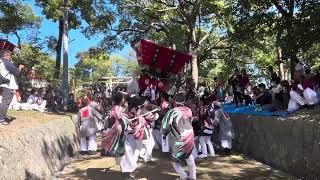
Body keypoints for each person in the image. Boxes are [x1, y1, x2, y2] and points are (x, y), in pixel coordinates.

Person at [161, 92, 196, 180]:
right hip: (189, 136)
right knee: (189, 156)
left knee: (174, 160)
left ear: (174, 100)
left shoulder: (172, 112)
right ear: (184, 100)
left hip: (178, 138)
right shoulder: (189, 110)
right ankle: (193, 177)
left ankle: (183, 176)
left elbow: (165, 126)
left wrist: (164, 134)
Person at [0, 49, 24, 125]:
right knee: (6, 102)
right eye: (10, 56)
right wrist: (20, 67)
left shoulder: (1, 62)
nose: (11, 58)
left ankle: (1, 117)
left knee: (4, 101)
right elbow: (17, 72)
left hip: (3, 84)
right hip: (7, 85)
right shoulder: (6, 62)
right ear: (6, 56)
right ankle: (1, 119)